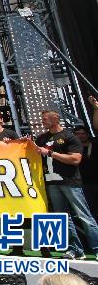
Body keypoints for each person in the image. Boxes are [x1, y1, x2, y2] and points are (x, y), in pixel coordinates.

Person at [34, 109, 98, 259]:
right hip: (52, 182)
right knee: (62, 217)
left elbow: (75, 159)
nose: (42, 121)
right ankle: (75, 249)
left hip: (70, 182)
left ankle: (96, 247)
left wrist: (51, 153)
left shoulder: (69, 137)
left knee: (83, 215)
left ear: (55, 119)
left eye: (45, 119)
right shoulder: (42, 138)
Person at [72, 125, 98, 215]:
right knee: (91, 207)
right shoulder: (72, 149)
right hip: (83, 183)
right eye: (77, 134)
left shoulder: (95, 145)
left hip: (96, 180)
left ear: (87, 135)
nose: (80, 136)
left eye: (82, 133)